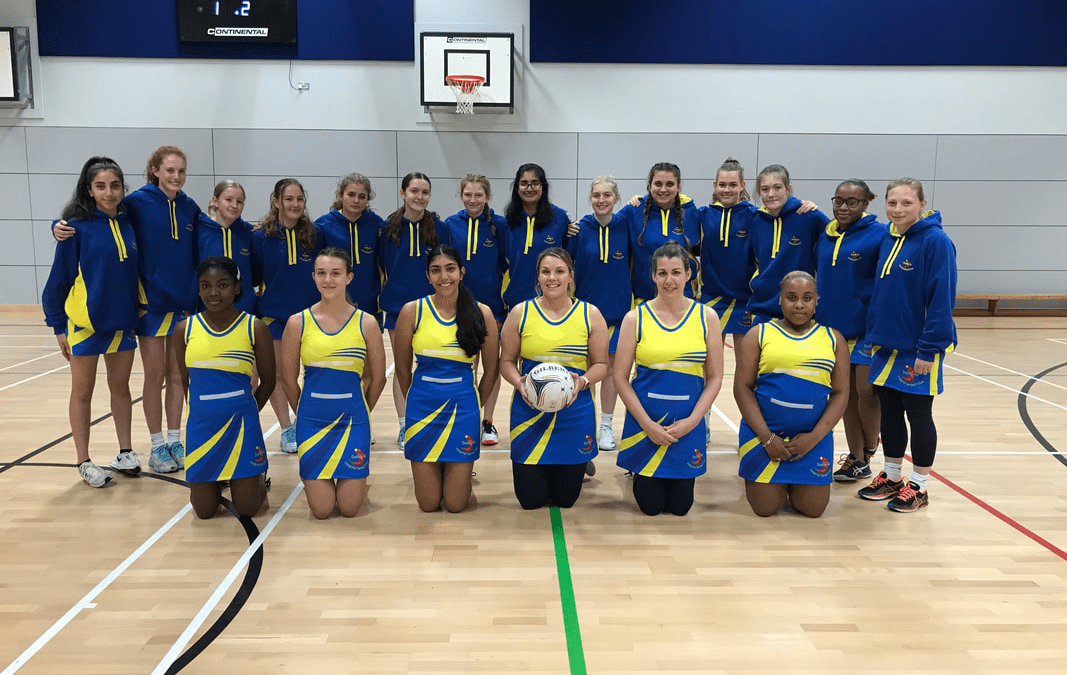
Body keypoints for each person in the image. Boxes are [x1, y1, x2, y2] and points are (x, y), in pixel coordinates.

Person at [54, 146, 202, 473]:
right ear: (154, 170)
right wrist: (57, 225)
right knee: (151, 377)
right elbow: (82, 226)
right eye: (169, 170)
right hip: (142, 308)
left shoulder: (185, 206)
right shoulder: (133, 204)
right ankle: (153, 446)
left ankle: (169, 441)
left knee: (175, 377)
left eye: (181, 170)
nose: (176, 176)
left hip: (171, 308)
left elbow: (213, 230)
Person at [858, 178, 957, 513]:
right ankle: (892, 476)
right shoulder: (888, 237)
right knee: (889, 414)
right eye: (892, 203)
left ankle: (920, 486)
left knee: (919, 415)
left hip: (918, 350)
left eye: (906, 203)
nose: (898, 209)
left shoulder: (936, 241)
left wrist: (929, 349)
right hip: (885, 346)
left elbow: (941, 299)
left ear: (922, 204)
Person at [42, 157, 141, 487]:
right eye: (101, 186)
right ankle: (83, 460)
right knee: (82, 391)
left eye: (115, 186)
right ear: (89, 189)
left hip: (122, 323)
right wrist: (58, 327)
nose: (109, 193)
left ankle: (125, 452)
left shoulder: (129, 222)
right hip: (85, 324)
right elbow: (58, 281)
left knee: (121, 388)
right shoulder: (75, 229)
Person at [613, 242, 724, 516]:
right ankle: (637, 470)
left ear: (688, 274)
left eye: (676, 272)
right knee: (650, 507)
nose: (669, 280)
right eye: (662, 273)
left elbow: (715, 377)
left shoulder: (707, 317)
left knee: (680, 507)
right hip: (646, 426)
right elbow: (620, 377)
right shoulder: (635, 318)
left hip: (686, 427)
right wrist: (647, 424)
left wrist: (693, 421)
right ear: (653, 276)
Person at [280, 248, 387, 519]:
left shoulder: (367, 323)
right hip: (312, 423)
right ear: (313, 277)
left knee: (350, 509)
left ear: (349, 277)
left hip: (353, 422)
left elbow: (378, 378)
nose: (328, 280)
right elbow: (288, 380)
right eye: (321, 273)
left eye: (335, 273)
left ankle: (357, 483)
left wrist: (362, 410)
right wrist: (304, 412)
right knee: (322, 510)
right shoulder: (297, 322)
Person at [499, 247, 609, 509]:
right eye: (545, 272)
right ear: (538, 277)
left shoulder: (590, 314)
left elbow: (602, 365)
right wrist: (519, 382)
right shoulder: (520, 312)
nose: (552, 278)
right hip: (529, 413)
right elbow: (506, 362)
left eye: (559, 271)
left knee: (564, 500)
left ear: (570, 276)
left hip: (574, 413)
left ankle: (579, 463)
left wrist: (582, 381)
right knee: (531, 500)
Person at [733, 271, 850, 517]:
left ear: (816, 300)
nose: (799, 305)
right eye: (791, 297)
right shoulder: (759, 334)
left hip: (811, 441)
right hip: (764, 438)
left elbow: (841, 394)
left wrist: (814, 438)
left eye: (807, 298)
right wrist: (767, 439)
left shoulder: (834, 339)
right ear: (780, 299)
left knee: (813, 509)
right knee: (765, 508)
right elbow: (742, 388)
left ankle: (793, 483)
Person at [392, 245, 499, 512]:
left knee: (455, 504)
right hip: (422, 409)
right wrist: (416, 402)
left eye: (450, 269)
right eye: (436, 270)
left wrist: (474, 404)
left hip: (463, 410)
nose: (444, 277)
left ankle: (459, 472)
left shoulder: (482, 313)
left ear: (461, 272)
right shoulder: (412, 311)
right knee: (428, 504)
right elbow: (403, 370)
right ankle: (444, 469)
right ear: (428, 276)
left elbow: (492, 370)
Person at [174, 257, 275, 518]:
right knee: (204, 511)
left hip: (242, 426)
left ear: (236, 287)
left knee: (247, 508)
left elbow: (269, 381)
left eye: (222, 285)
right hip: (202, 428)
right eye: (205, 286)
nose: (213, 293)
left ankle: (257, 476)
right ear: (198, 290)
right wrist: (201, 413)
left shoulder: (255, 327)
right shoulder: (184, 329)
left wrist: (248, 412)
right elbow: (185, 381)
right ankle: (220, 477)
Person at [814, 179, 887, 482]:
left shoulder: (879, 235)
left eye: (851, 202)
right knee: (844, 396)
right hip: (833, 332)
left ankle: (870, 445)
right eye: (838, 201)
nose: (843, 207)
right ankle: (857, 459)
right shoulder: (825, 235)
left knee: (866, 392)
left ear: (865, 203)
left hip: (867, 329)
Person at [251, 178, 325, 453]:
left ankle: (310, 420)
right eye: (289, 199)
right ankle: (287, 428)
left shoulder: (316, 234)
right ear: (276, 201)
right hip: (275, 317)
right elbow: (255, 277)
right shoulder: (260, 238)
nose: (295, 204)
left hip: (310, 317)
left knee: (313, 372)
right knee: (280, 375)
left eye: (300, 199)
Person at [378, 172, 446, 450]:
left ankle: (432, 419)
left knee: (430, 365)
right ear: (403, 193)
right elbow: (381, 263)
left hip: (433, 308)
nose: (419, 197)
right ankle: (406, 424)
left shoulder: (440, 228)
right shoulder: (387, 229)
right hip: (398, 308)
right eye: (414, 191)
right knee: (403, 367)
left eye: (425, 192)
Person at [442, 175, 508, 446]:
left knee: (491, 366)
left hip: (493, 307)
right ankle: (467, 418)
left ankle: (488, 422)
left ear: (487, 197)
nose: (473, 200)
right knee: (467, 365)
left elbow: (507, 262)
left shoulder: (499, 225)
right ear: (461, 195)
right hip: (460, 307)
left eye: (478, 195)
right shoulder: (450, 224)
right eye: (468, 194)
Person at [571, 176, 632, 452]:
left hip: (618, 312)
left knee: (610, 372)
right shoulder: (578, 229)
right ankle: (586, 424)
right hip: (586, 314)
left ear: (616, 198)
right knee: (588, 372)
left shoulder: (626, 225)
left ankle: (606, 426)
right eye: (596, 195)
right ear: (590, 198)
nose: (601, 200)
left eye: (607, 195)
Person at [747, 165, 830, 325]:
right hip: (762, 308)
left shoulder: (809, 216)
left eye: (777, 187)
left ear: (788, 189)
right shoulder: (755, 220)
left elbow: (839, 238)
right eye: (765, 189)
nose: (771, 194)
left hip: (800, 309)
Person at [617, 162, 700, 304]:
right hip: (644, 298)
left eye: (670, 184)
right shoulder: (634, 210)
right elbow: (606, 224)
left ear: (678, 186)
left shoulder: (691, 212)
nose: (663, 189)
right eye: (658, 184)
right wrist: (576, 227)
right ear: (650, 186)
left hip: (683, 299)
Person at [501, 163, 574, 312]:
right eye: (524, 183)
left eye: (535, 183)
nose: (529, 188)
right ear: (517, 187)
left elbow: (569, 257)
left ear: (543, 186)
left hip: (553, 301)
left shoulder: (560, 218)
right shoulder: (507, 222)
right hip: (517, 302)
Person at [314, 173, 386, 323]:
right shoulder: (323, 225)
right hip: (332, 303)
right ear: (341, 196)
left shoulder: (377, 225)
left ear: (367, 199)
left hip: (369, 304)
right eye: (351, 195)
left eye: (362, 196)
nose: (356, 200)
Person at [198, 180, 256, 314]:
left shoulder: (249, 232)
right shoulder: (199, 231)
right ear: (215, 201)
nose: (234, 205)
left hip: (244, 310)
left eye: (239, 202)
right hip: (207, 310)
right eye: (228, 200)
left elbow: (255, 273)